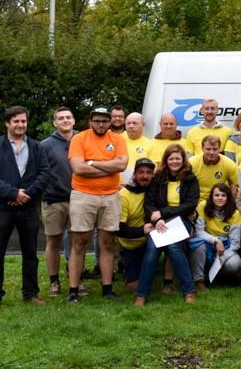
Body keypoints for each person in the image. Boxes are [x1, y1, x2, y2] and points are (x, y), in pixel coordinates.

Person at [0, 105, 50, 308]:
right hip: (1, 208)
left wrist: (25, 195)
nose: (20, 125)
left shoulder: (37, 147)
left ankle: (31, 293)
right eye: (16, 121)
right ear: (7, 123)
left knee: (30, 253)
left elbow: (44, 173)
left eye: (23, 121)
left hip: (28, 208)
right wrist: (12, 193)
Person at [67, 106, 128, 303]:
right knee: (79, 242)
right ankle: (73, 291)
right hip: (83, 195)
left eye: (105, 121)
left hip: (110, 196)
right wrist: (107, 168)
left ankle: (107, 289)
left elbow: (121, 165)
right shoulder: (79, 139)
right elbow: (78, 167)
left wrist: (92, 163)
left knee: (108, 242)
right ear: (90, 121)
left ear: (110, 122)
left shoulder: (118, 139)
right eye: (97, 121)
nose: (101, 125)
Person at [134, 144, 199, 306]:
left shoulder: (191, 178)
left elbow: (190, 205)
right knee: (152, 249)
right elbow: (149, 204)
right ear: (166, 160)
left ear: (183, 160)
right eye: (171, 158)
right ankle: (141, 295)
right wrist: (157, 220)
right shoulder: (158, 178)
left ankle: (189, 291)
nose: (174, 161)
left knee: (174, 248)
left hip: (182, 220)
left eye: (178, 158)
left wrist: (164, 213)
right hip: (160, 222)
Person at [40, 107, 84, 297]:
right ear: (55, 123)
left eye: (68, 117)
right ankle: (54, 282)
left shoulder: (83, 139)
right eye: (61, 118)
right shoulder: (45, 145)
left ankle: (77, 279)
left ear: (74, 121)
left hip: (80, 198)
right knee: (54, 241)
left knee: (78, 242)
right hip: (54, 200)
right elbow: (39, 172)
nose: (65, 120)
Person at [190, 183, 241, 290]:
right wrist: (216, 241)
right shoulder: (203, 206)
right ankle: (198, 280)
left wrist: (222, 257)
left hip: (225, 247)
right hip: (206, 242)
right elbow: (199, 232)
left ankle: (217, 276)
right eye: (217, 195)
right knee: (198, 247)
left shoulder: (235, 213)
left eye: (223, 195)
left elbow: (235, 243)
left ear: (228, 197)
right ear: (211, 196)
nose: (220, 198)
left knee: (234, 264)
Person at [117, 158, 157, 292]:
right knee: (134, 286)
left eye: (149, 173)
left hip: (152, 240)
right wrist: (142, 231)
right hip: (132, 244)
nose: (145, 176)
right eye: (141, 172)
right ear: (134, 174)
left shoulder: (155, 189)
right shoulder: (124, 195)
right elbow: (118, 229)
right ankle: (124, 264)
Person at [188, 135, 237, 202]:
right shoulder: (192, 163)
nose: (211, 152)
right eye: (208, 149)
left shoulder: (229, 164)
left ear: (219, 148)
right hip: (196, 201)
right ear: (202, 148)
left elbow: (234, 187)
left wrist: (230, 205)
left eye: (215, 149)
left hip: (218, 202)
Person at [121, 112, 152, 183]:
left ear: (143, 125)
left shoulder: (150, 144)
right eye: (128, 123)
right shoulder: (117, 139)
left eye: (134, 123)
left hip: (139, 188)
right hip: (116, 187)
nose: (131, 126)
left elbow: (154, 168)